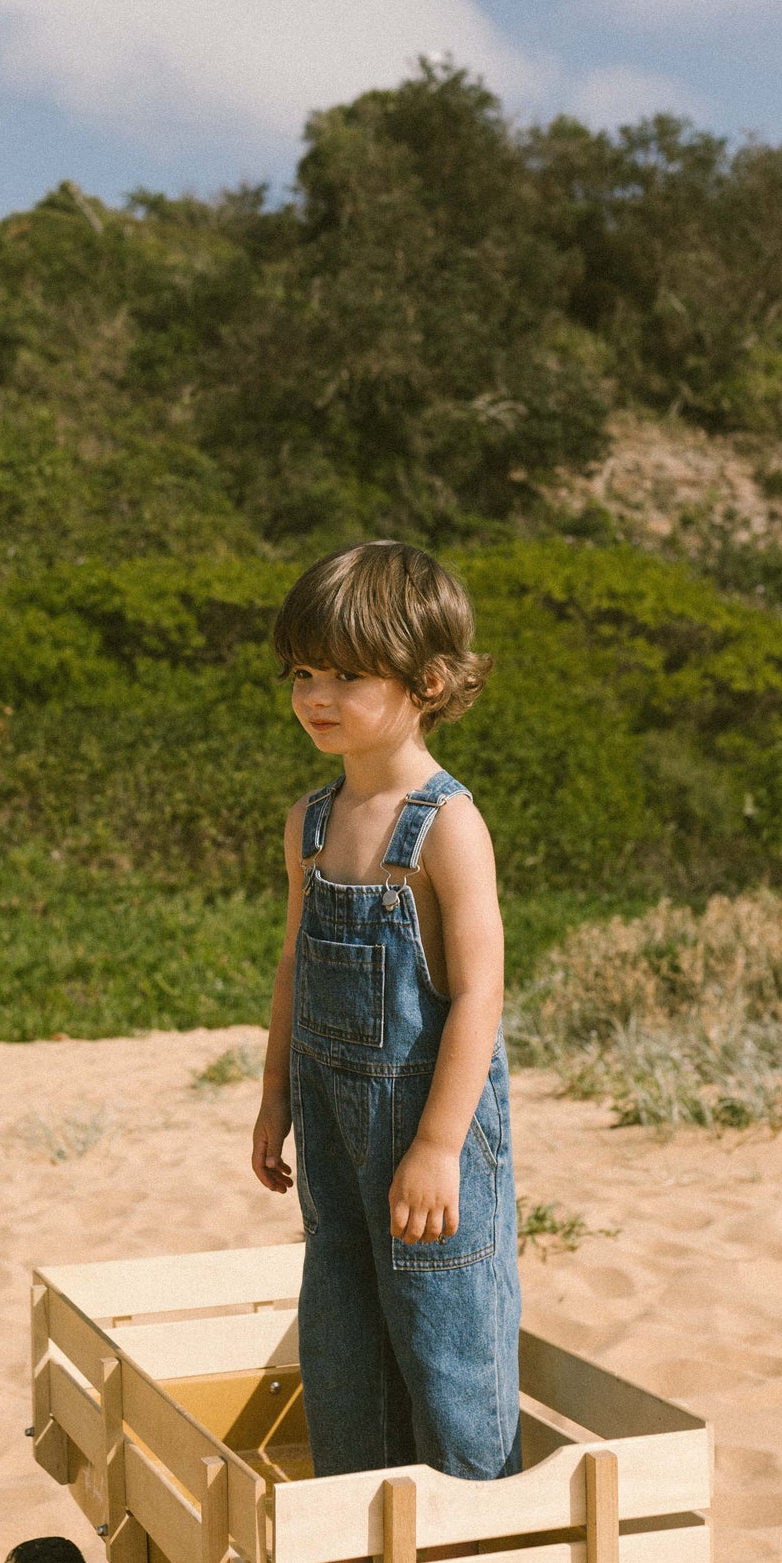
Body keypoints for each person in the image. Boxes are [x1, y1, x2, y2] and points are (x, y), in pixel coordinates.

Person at [251, 540, 521, 1482]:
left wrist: (440, 1145)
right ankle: (358, 1519)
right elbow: (292, 964)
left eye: (347, 674)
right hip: (329, 1119)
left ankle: (476, 1525)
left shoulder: (444, 822)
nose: (316, 694)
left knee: (445, 1328)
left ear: (428, 681)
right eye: (302, 671)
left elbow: (479, 992)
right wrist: (274, 1098)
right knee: (342, 1322)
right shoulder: (312, 823)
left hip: (427, 1121)